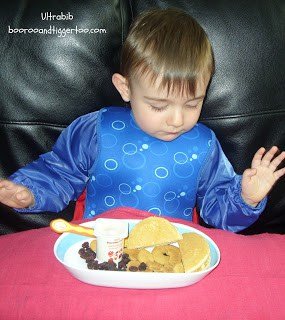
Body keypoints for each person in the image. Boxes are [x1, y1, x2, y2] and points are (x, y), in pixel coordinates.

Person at [0, 8, 284, 232]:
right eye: (159, 106)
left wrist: (247, 198)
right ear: (125, 88)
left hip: (173, 254)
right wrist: (29, 192)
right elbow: (60, 172)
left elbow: (218, 207)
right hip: (98, 243)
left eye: (192, 103)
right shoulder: (97, 129)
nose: (177, 119)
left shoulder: (203, 144)